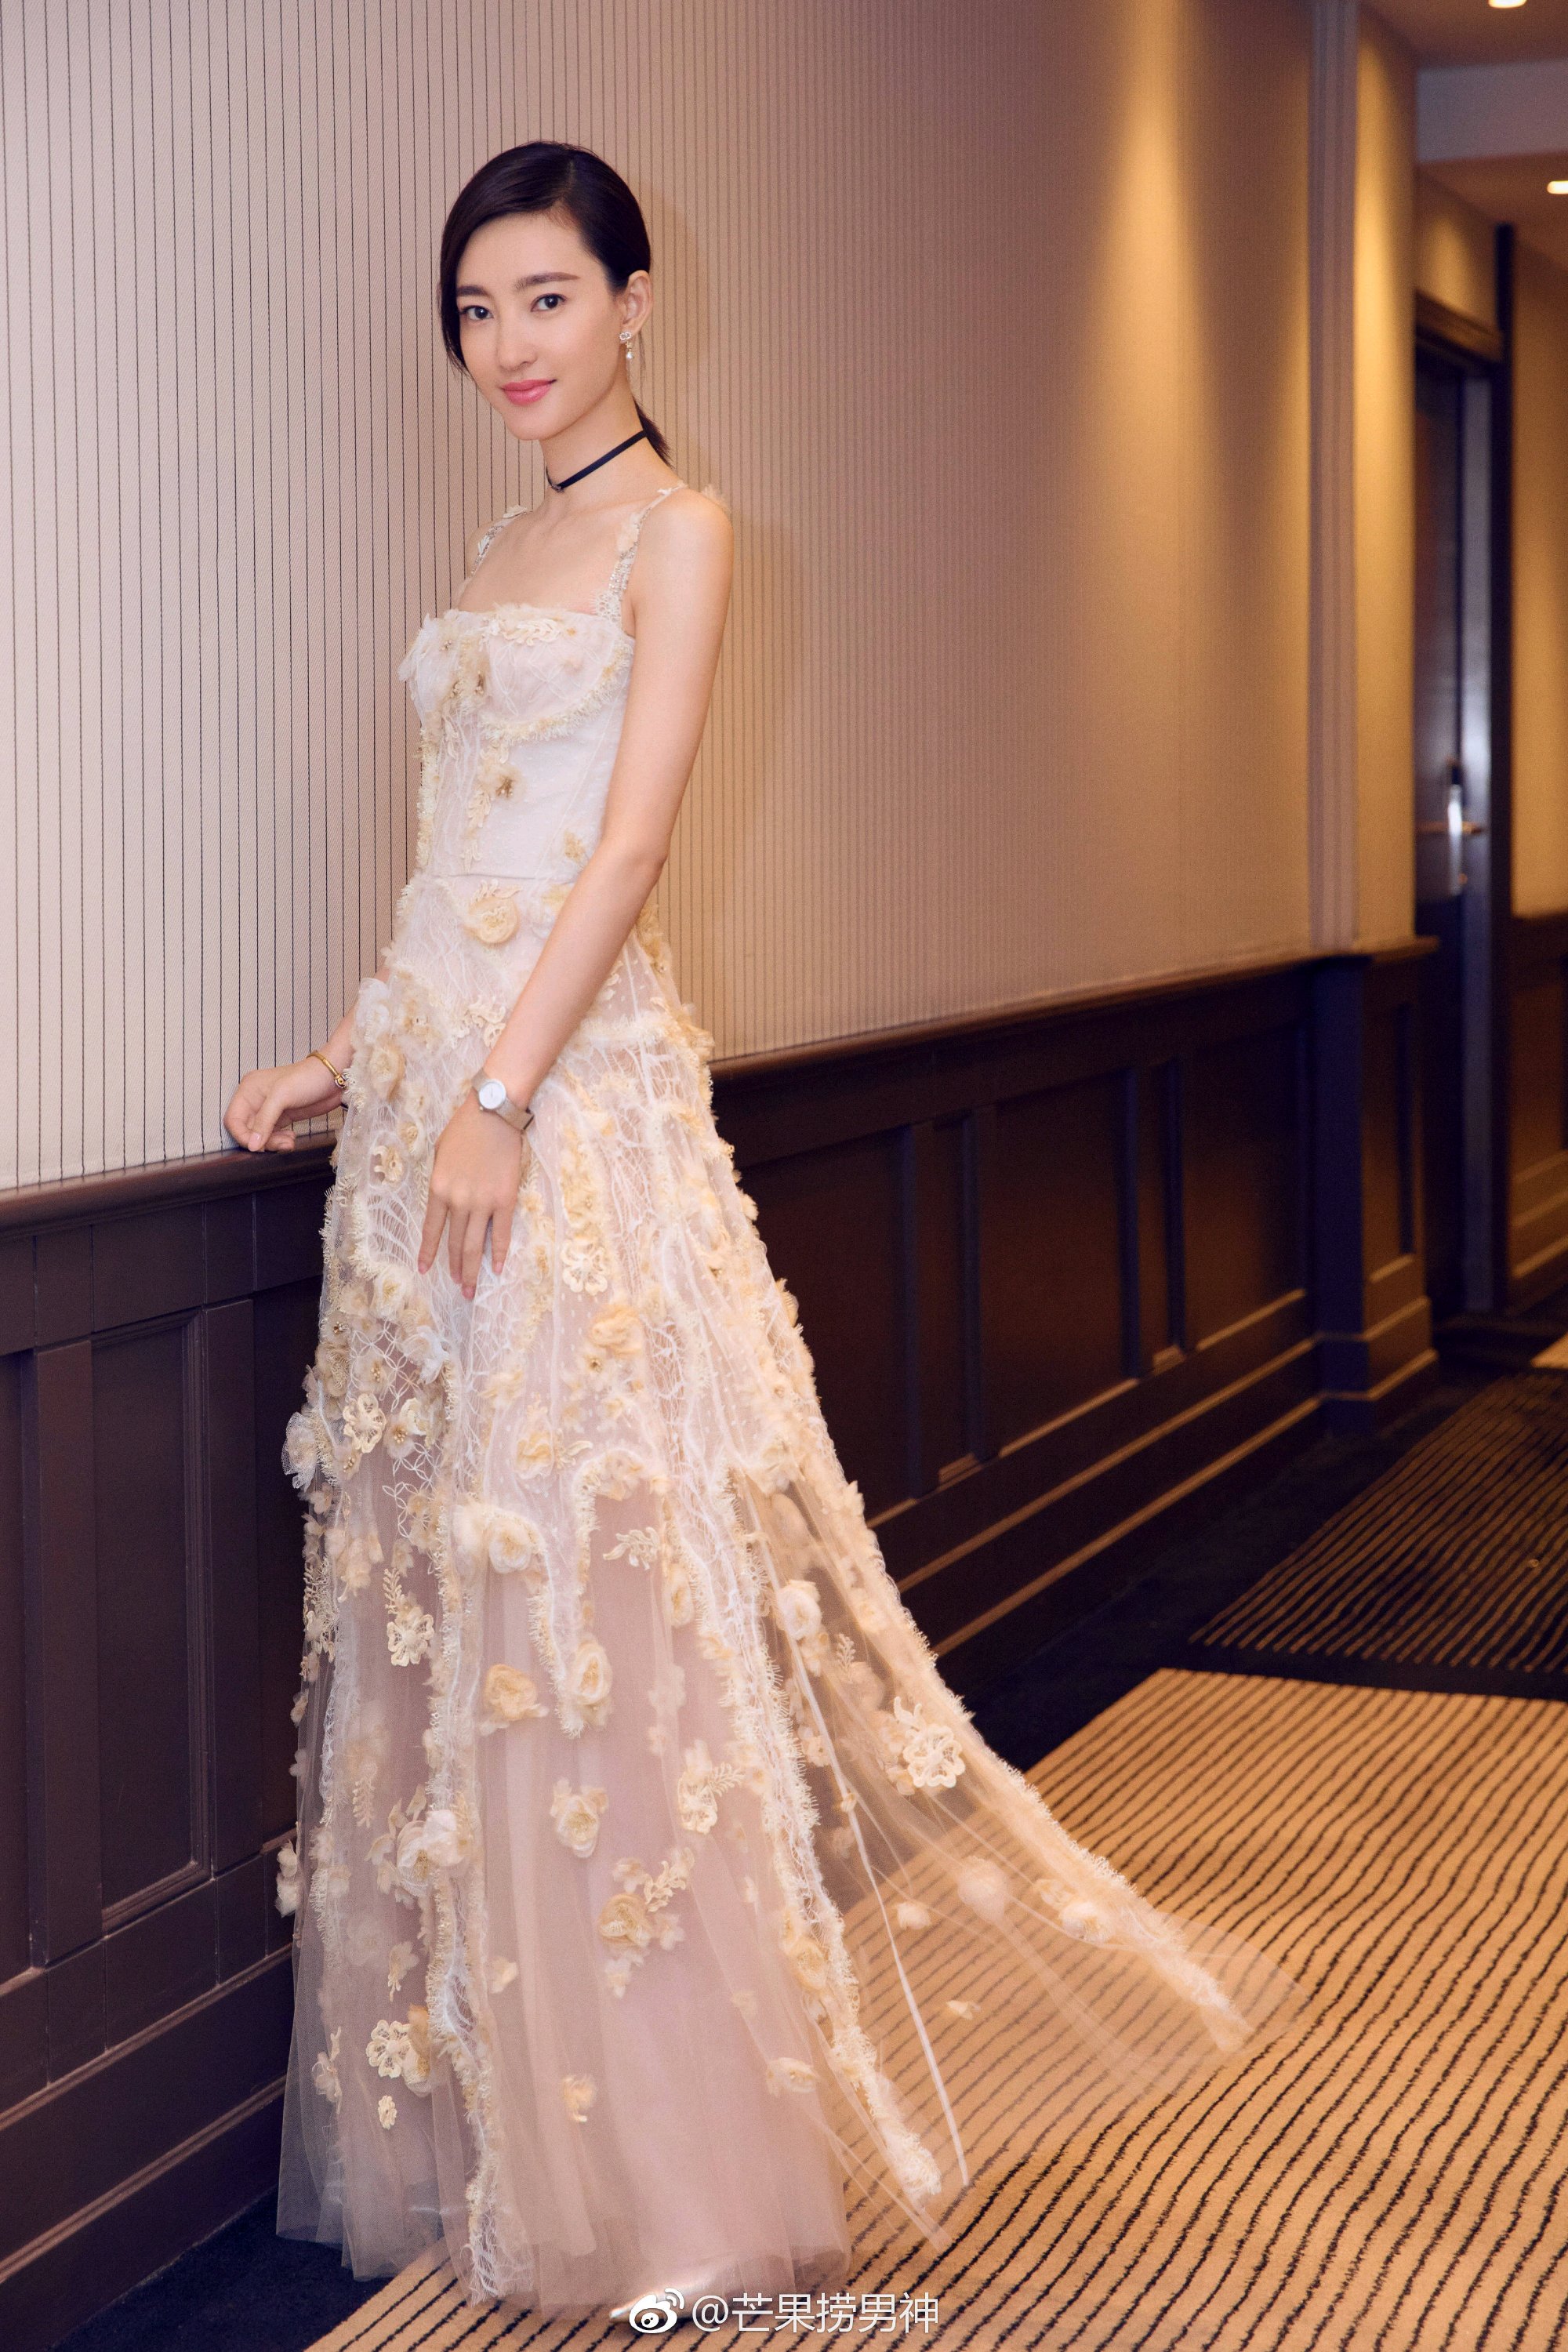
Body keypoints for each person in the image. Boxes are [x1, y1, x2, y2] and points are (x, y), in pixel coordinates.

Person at [224, 140, 1301, 2322]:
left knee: (605, 1616)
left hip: (554, 1128)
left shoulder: (684, 531)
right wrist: (356, 1053)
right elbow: (469, 856)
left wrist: (500, 1102)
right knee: (475, 1614)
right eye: (475, 311)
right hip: (435, 1113)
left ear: (636, 302)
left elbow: (624, 851)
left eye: (545, 298)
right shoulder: (497, 541)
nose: (507, 346)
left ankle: (695, 2204)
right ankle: (538, 2148)